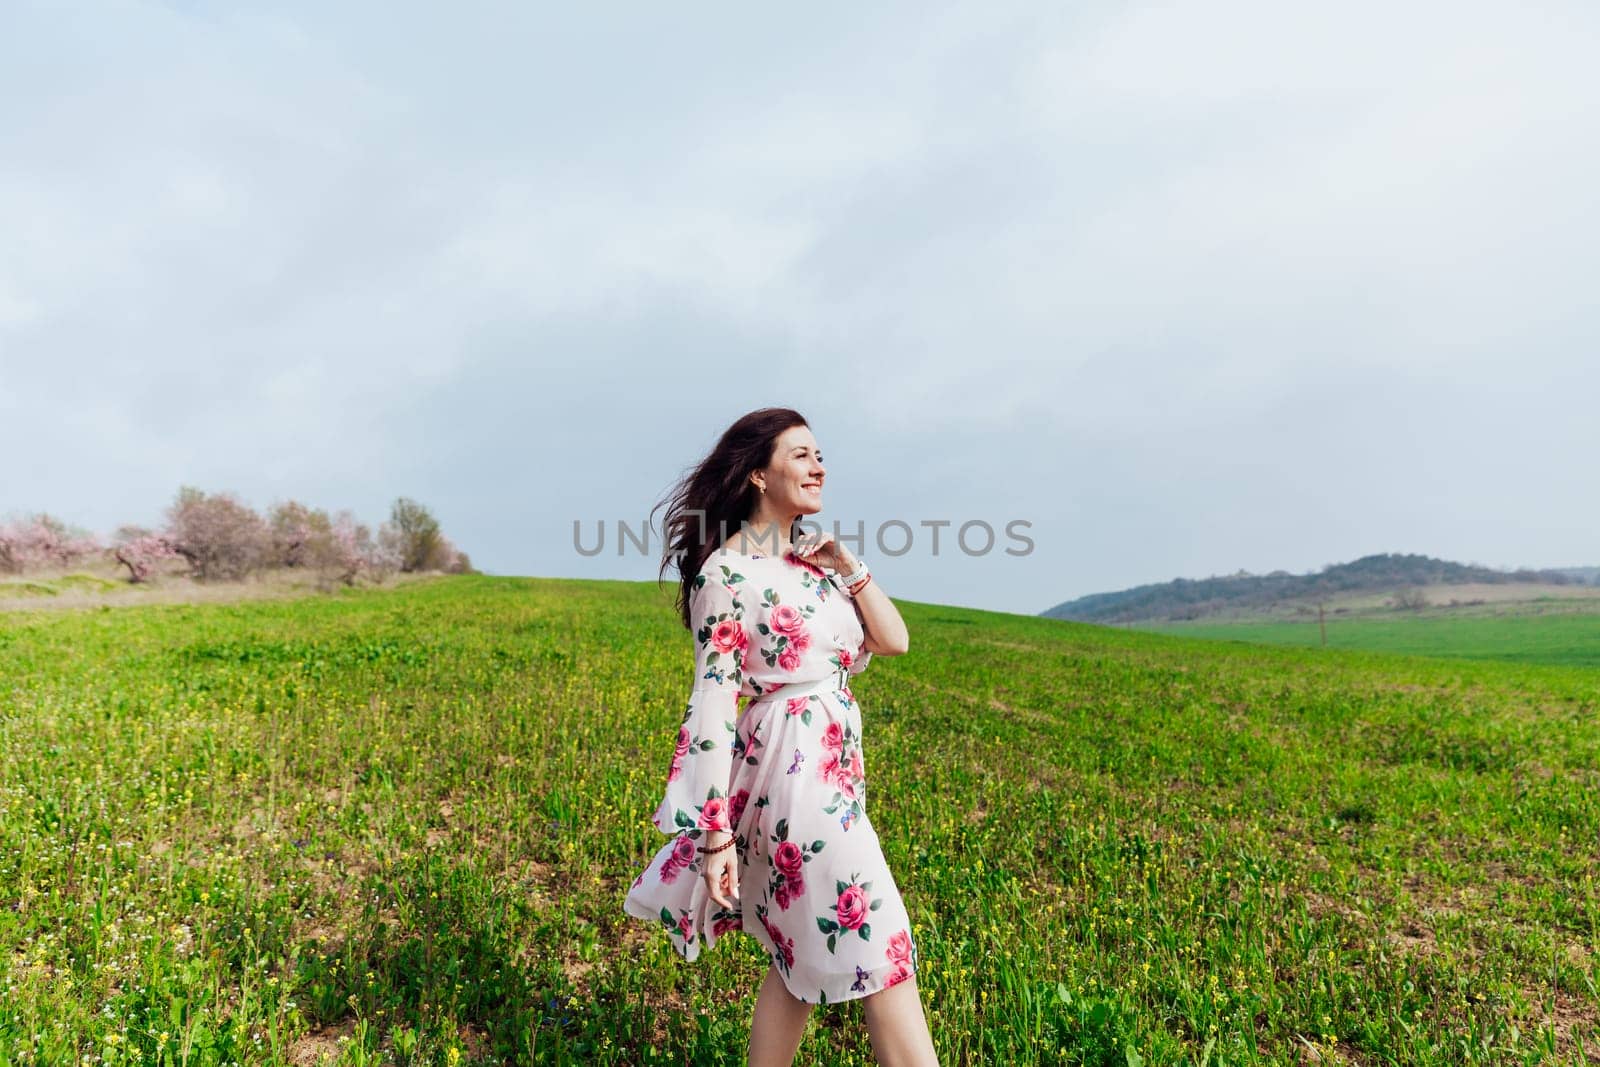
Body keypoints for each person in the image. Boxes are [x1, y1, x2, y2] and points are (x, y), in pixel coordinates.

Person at [623, 407, 940, 1066]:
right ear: (758, 474)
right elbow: (713, 704)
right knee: (886, 943)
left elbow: (895, 640)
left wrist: (848, 564)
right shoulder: (725, 575)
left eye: (820, 453)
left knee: (797, 962)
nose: (818, 464)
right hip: (790, 780)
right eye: (801, 454)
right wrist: (714, 835)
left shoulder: (816, 562)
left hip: (836, 776)